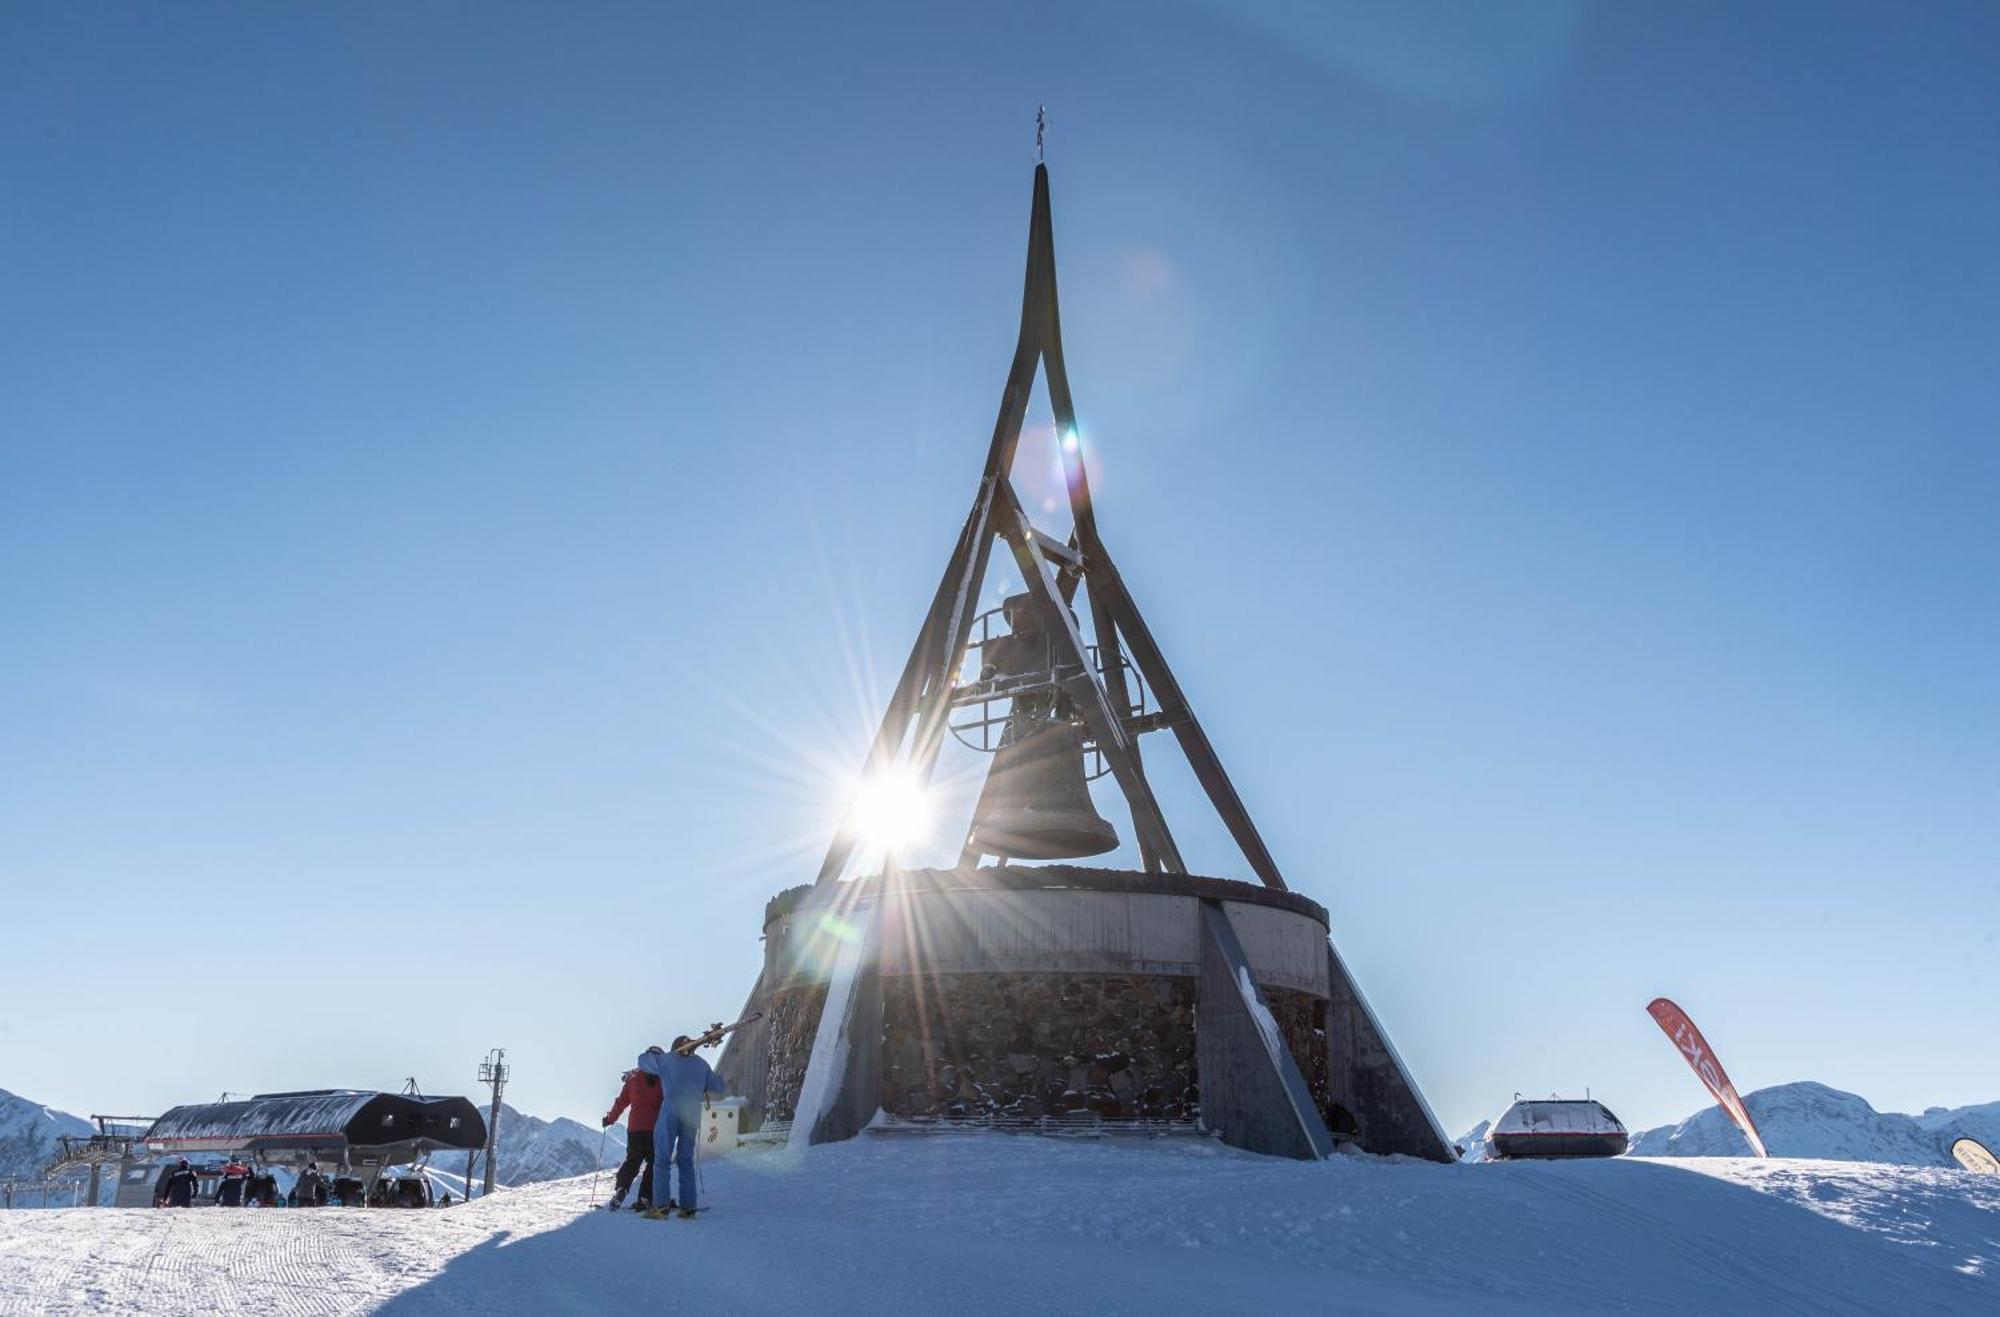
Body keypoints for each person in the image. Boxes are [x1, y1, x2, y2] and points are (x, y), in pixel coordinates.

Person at [638, 1036, 727, 1217]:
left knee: (662, 1157)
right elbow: (719, 1086)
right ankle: (688, 1207)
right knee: (685, 1159)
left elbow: (642, 1061)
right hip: (693, 1111)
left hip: (671, 1108)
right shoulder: (701, 1064)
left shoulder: (667, 1059)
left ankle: (661, 1206)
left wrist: (657, 1055)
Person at [602, 1047, 667, 1211]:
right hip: (655, 1127)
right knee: (653, 1163)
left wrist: (610, 1119)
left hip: (635, 1128)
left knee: (633, 1160)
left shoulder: (632, 1079)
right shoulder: (664, 1078)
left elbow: (621, 1102)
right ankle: (645, 1198)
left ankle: (622, 1188)